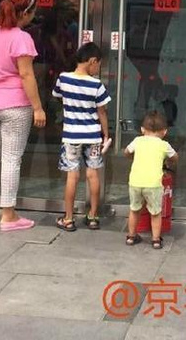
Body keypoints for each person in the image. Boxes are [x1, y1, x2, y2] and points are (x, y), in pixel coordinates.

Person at [0, 0, 47, 231]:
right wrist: (38, 107)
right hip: (14, 104)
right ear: (25, 13)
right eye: (33, 12)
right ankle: (8, 215)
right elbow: (26, 74)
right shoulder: (21, 38)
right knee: (11, 159)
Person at [53, 42, 111, 231]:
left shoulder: (63, 79)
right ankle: (93, 216)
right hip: (93, 135)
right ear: (92, 61)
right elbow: (102, 111)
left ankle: (68, 219)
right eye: (98, 65)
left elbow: (58, 96)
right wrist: (106, 134)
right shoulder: (96, 85)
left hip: (71, 135)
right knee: (93, 175)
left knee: (72, 176)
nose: (97, 69)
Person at [124, 110, 178, 249]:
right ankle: (155, 240)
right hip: (153, 184)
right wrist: (168, 160)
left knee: (134, 210)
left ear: (142, 129)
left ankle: (131, 237)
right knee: (155, 212)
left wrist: (132, 157)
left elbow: (126, 152)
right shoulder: (164, 145)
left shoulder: (137, 141)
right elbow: (175, 157)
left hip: (135, 182)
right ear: (164, 132)